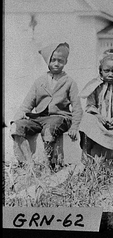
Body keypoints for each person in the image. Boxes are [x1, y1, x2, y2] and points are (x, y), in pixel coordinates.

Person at [10, 42, 83, 170]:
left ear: (66, 61)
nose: (56, 63)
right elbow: (27, 105)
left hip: (60, 118)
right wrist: (16, 119)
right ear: (47, 61)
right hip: (39, 119)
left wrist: (75, 127)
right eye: (53, 60)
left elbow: (77, 108)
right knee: (17, 127)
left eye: (60, 60)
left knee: (49, 129)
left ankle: (50, 164)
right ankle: (28, 163)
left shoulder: (69, 82)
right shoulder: (40, 81)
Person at [78, 53, 113, 168]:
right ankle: (86, 156)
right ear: (101, 71)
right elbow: (90, 106)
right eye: (107, 71)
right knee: (86, 121)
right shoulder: (95, 87)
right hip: (99, 120)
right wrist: (99, 117)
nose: (110, 74)